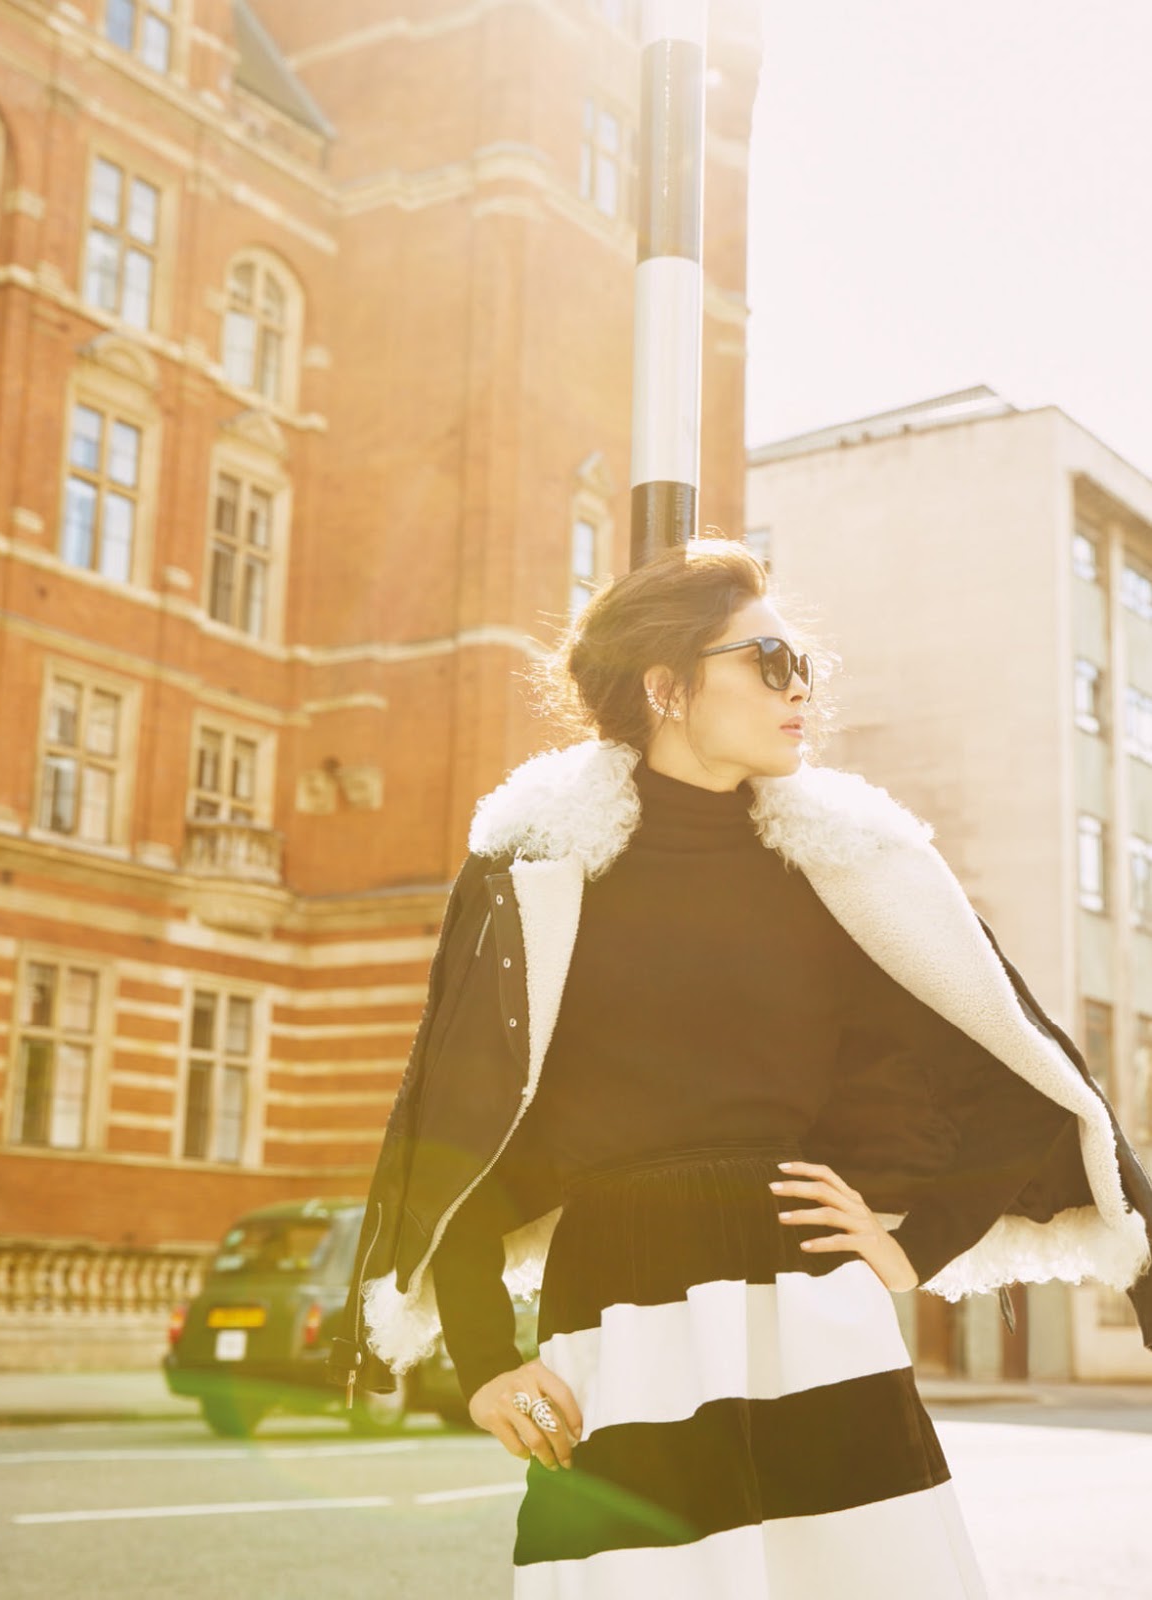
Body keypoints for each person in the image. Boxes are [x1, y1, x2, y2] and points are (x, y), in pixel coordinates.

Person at [331, 537, 1152, 1598]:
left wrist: (913, 1245)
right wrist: (487, 1360)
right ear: (665, 685)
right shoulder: (534, 868)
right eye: (769, 662)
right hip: (617, 1307)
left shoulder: (848, 868)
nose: (800, 689)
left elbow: (1014, 1071)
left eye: (805, 665)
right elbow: (458, 1122)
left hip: (812, 1309)